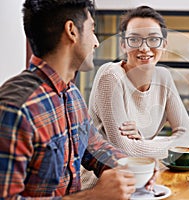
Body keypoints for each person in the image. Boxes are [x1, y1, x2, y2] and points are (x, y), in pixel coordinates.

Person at [0, 1, 157, 199]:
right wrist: (92, 196)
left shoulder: (72, 95)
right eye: (92, 29)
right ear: (71, 31)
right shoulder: (16, 108)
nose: (96, 42)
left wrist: (135, 170)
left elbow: (95, 148)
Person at [88, 5, 189, 159]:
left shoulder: (163, 77)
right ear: (123, 45)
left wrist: (141, 141)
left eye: (153, 39)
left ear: (164, 45)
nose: (144, 48)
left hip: (140, 172)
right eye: (134, 39)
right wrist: (185, 144)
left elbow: (187, 132)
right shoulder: (111, 76)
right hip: (103, 177)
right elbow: (124, 150)